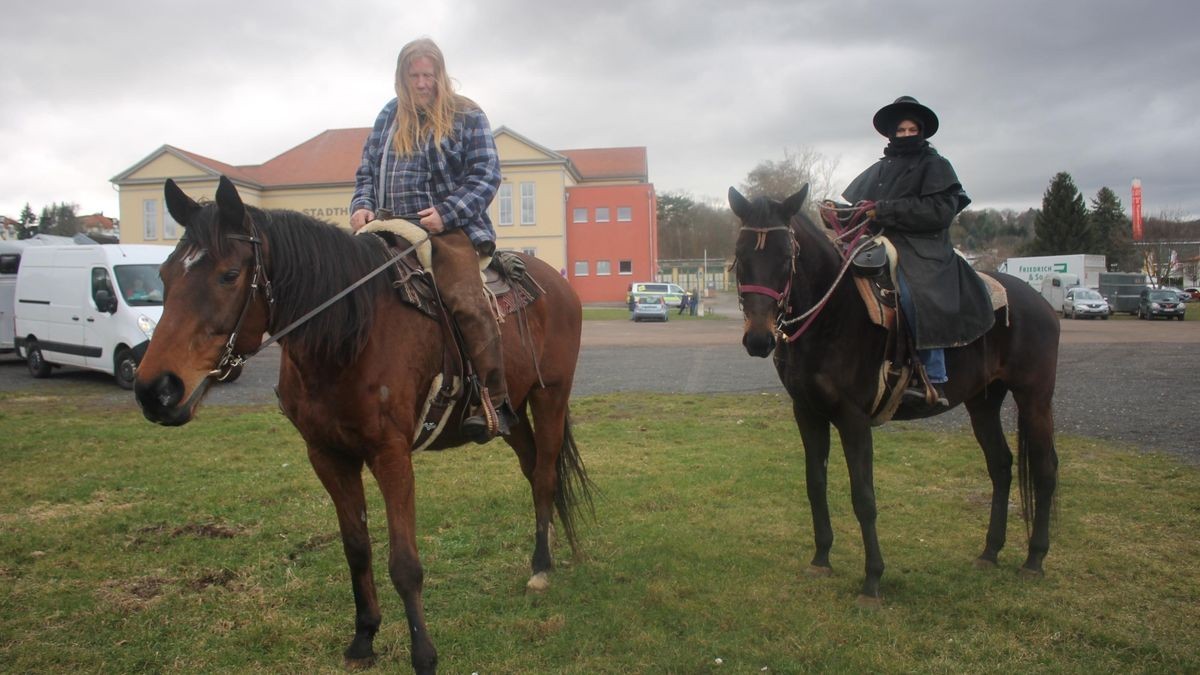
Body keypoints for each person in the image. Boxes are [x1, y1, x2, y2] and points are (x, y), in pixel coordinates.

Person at [350, 37, 516, 442]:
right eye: (414, 75)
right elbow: (366, 172)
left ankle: (492, 400)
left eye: (429, 75)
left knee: (466, 300)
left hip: (448, 231)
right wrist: (362, 204)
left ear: (441, 75)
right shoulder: (388, 116)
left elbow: (486, 175)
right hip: (386, 226)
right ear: (402, 78)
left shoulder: (467, 115)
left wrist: (447, 212)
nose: (422, 83)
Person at [842, 96, 994, 408]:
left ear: (922, 132)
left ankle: (930, 372)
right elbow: (865, 212)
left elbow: (939, 211)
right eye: (902, 130)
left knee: (911, 294)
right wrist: (844, 213)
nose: (907, 134)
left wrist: (883, 210)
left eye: (913, 129)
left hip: (923, 248)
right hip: (879, 244)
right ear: (891, 133)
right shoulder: (879, 170)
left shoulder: (936, 166)